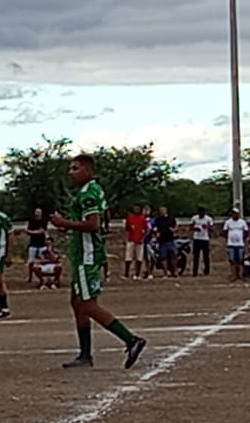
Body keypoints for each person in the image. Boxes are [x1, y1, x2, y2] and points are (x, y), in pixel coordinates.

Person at [50, 153, 147, 369]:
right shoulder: (93, 191)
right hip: (84, 253)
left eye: (75, 168)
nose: (71, 172)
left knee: (87, 304)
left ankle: (131, 340)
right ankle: (85, 355)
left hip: (87, 255)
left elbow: (92, 224)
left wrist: (63, 222)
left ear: (87, 170)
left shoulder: (88, 195)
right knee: (77, 302)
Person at [223, 207, 250, 281]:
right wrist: (228, 239)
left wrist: (242, 239)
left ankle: (240, 274)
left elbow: (246, 231)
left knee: (241, 260)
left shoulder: (242, 222)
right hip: (231, 244)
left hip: (240, 244)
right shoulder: (228, 222)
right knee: (232, 260)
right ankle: (233, 274)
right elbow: (225, 231)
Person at [152, 205, 179, 278]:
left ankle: (175, 271)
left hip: (170, 240)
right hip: (162, 241)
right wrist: (156, 233)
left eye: (163, 210)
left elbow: (176, 226)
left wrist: (174, 230)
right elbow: (154, 228)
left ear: (166, 211)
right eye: (160, 210)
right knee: (163, 257)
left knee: (174, 255)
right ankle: (166, 273)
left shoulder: (171, 218)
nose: (161, 212)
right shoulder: (157, 220)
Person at [124, 205, 148, 280]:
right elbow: (127, 228)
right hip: (131, 239)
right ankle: (126, 274)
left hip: (139, 240)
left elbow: (146, 230)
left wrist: (143, 239)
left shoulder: (142, 218)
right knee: (128, 257)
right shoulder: (129, 218)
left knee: (139, 257)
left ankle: (137, 274)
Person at [188, 206, 213, 276]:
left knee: (206, 256)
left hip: (205, 238)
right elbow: (190, 227)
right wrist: (195, 228)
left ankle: (207, 270)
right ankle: (195, 271)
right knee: (196, 256)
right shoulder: (194, 218)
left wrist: (206, 227)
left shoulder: (208, 219)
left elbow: (211, 229)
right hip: (197, 238)